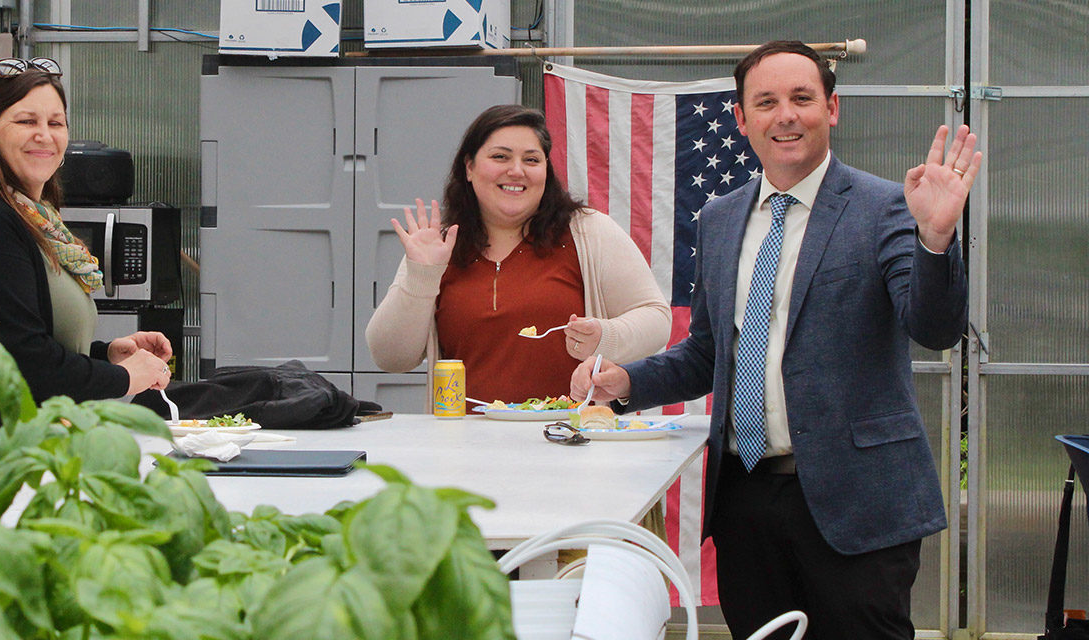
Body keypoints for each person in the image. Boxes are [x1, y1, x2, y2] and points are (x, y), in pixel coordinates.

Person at [571, 41, 978, 639]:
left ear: (832, 109)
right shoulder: (719, 219)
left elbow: (934, 328)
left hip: (857, 506)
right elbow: (711, 353)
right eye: (766, 102)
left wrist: (936, 240)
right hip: (746, 502)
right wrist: (627, 381)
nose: (785, 115)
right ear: (741, 118)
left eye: (802, 98)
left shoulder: (888, 207)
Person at [0, 57, 172, 445]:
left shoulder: (35, 218)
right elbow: (22, 360)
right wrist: (126, 378)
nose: (44, 135)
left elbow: (28, 336)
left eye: (55, 123)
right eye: (26, 121)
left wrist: (106, 354)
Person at [366, 104, 671, 404]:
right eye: (500, 157)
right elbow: (391, 357)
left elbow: (657, 319)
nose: (516, 171)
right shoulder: (439, 244)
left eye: (532, 159)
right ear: (469, 167)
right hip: (460, 447)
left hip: (570, 443)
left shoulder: (589, 231)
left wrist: (605, 336)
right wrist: (423, 277)